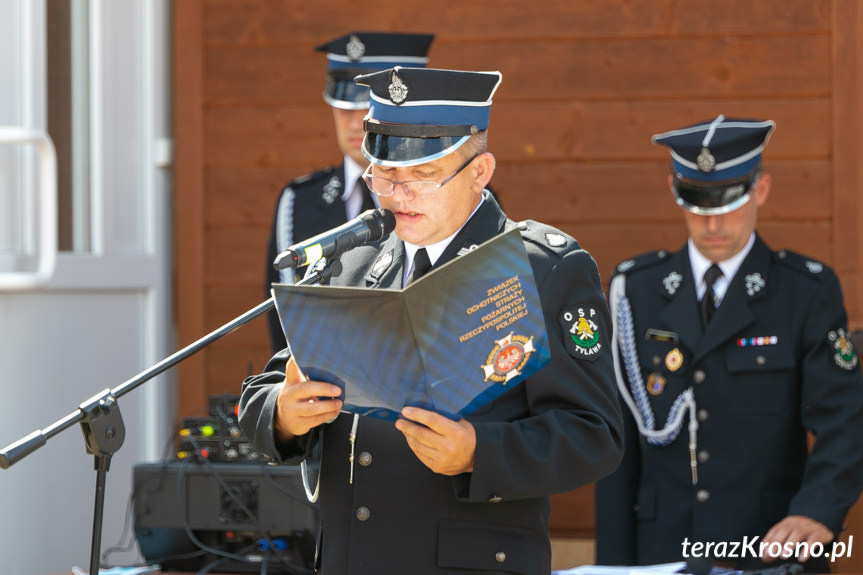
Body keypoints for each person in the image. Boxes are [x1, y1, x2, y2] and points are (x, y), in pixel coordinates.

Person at [240, 66, 624, 575]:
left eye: (422, 175)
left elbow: (595, 435)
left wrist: (478, 452)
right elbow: (262, 394)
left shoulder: (540, 269)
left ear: (480, 172)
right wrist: (286, 415)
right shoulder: (353, 263)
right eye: (386, 175)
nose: (399, 195)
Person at [595, 115, 863, 571]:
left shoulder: (804, 291)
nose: (712, 220)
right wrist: (616, 566)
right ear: (675, 191)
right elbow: (617, 443)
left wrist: (817, 510)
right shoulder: (635, 290)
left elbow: (845, 417)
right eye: (698, 201)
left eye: (728, 201)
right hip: (663, 554)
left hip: (768, 551)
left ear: (760, 190)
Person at [264, 32, 435, 353]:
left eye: (370, 104)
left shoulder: (453, 190)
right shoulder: (299, 201)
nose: (357, 120)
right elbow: (288, 330)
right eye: (345, 102)